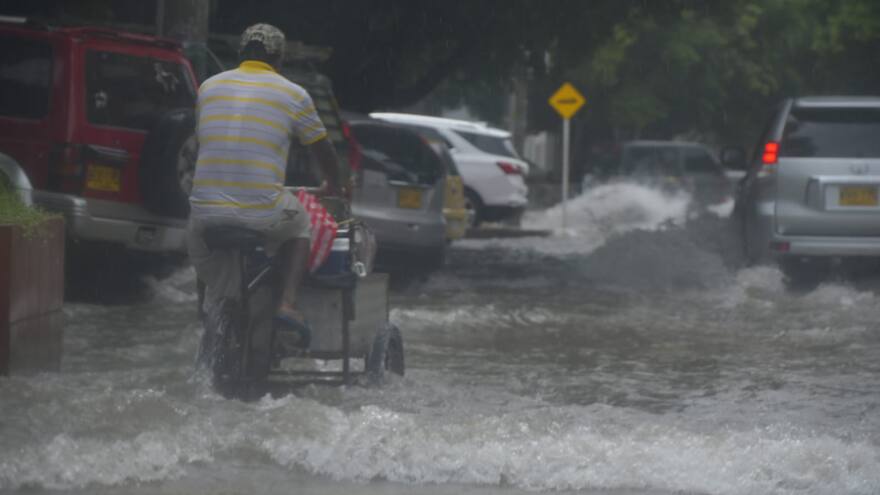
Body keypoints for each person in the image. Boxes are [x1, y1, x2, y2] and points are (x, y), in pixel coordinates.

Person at [187, 23, 342, 352]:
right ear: (279, 60)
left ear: (241, 55)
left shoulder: (208, 88)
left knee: (205, 230)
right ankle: (287, 303)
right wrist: (334, 184)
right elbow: (324, 152)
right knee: (300, 225)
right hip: (261, 212)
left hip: (203, 215)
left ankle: (205, 310)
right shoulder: (293, 94)